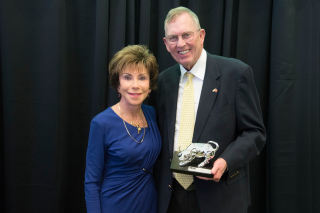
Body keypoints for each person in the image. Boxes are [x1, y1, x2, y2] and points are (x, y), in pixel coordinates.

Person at [155, 6, 266, 213]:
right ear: (166, 43)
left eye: (187, 35)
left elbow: (255, 133)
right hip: (171, 198)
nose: (181, 44)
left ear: (201, 35)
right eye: (173, 38)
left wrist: (225, 161)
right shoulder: (163, 82)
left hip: (220, 197)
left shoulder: (236, 73)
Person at [84, 45, 161, 213]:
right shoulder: (101, 123)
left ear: (150, 86)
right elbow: (91, 182)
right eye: (127, 77)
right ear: (118, 85)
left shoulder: (152, 114)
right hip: (115, 204)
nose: (135, 85)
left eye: (142, 78)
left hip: (149, 203)